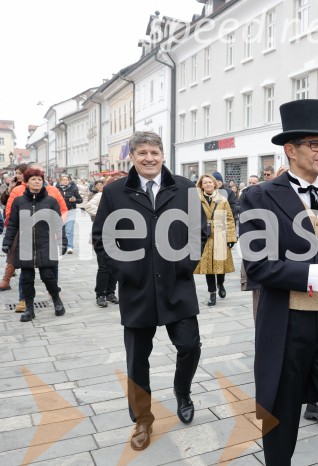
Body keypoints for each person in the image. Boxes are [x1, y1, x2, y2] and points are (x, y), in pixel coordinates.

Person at [238, 99, 318, 464]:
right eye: (315, 145)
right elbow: (257, 265)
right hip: (287, 322)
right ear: (291, 150)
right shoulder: (258, 196)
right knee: (281, 418)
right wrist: (317, 273)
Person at [92, 131, 206, 451]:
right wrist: (123, 271)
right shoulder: (116, 192)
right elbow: (103, 237)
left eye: (154, 152)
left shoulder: (184, 188)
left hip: (177, 286)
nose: (149, 158)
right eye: (141, 153)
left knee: (190, 346)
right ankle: (143, 418)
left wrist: (185, 265)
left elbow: (200, 231)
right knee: (137, 361)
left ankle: (182, 390)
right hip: (137, 289)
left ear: (163, 155)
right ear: (132, 157)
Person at [2, 167, 67, 322]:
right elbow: (12, 224)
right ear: (27, 182)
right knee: (27, 278)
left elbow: (58, 224)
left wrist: (63, 241)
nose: (37, 181)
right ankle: (29, 309)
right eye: (33, 179)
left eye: (39, 179)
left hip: (45, 243)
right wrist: (7, 242)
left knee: (47, 275)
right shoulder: (19, 201)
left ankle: (57, 299)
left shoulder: (50, 201)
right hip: (25, 244)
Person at [193, 174, 236, 307]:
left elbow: (229, 219)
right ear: (201, 185)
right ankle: (212, 293)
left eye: (210, 182)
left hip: (220, 236)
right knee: (208, 269)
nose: (208, 185)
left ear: (215, 184)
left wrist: (231, 237)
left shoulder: (222, 200)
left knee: (220, 266)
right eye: (205, 183)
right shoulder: (197, 200)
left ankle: (221, 284)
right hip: (204, 237)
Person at [86, 175, 123, 308]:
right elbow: (88, 206)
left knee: (115, 265)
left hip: (118, 235)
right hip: (102, 234)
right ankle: (100, 294)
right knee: (103, 266)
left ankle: (110, 293)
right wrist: (104, 213)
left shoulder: (123, 196)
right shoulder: (102, 195)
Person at [57, 175, 80, 254]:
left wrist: (75, 199)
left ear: (69, 181)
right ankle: (62, 245)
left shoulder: (73, 188)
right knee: (60, 230)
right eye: (63, 180)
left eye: (67, 180)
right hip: (60, 212)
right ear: (60, 181)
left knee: (69, 230)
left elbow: (80, 199)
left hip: (71, 211)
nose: (65, 181)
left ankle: (70, 246)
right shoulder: (56, 189)